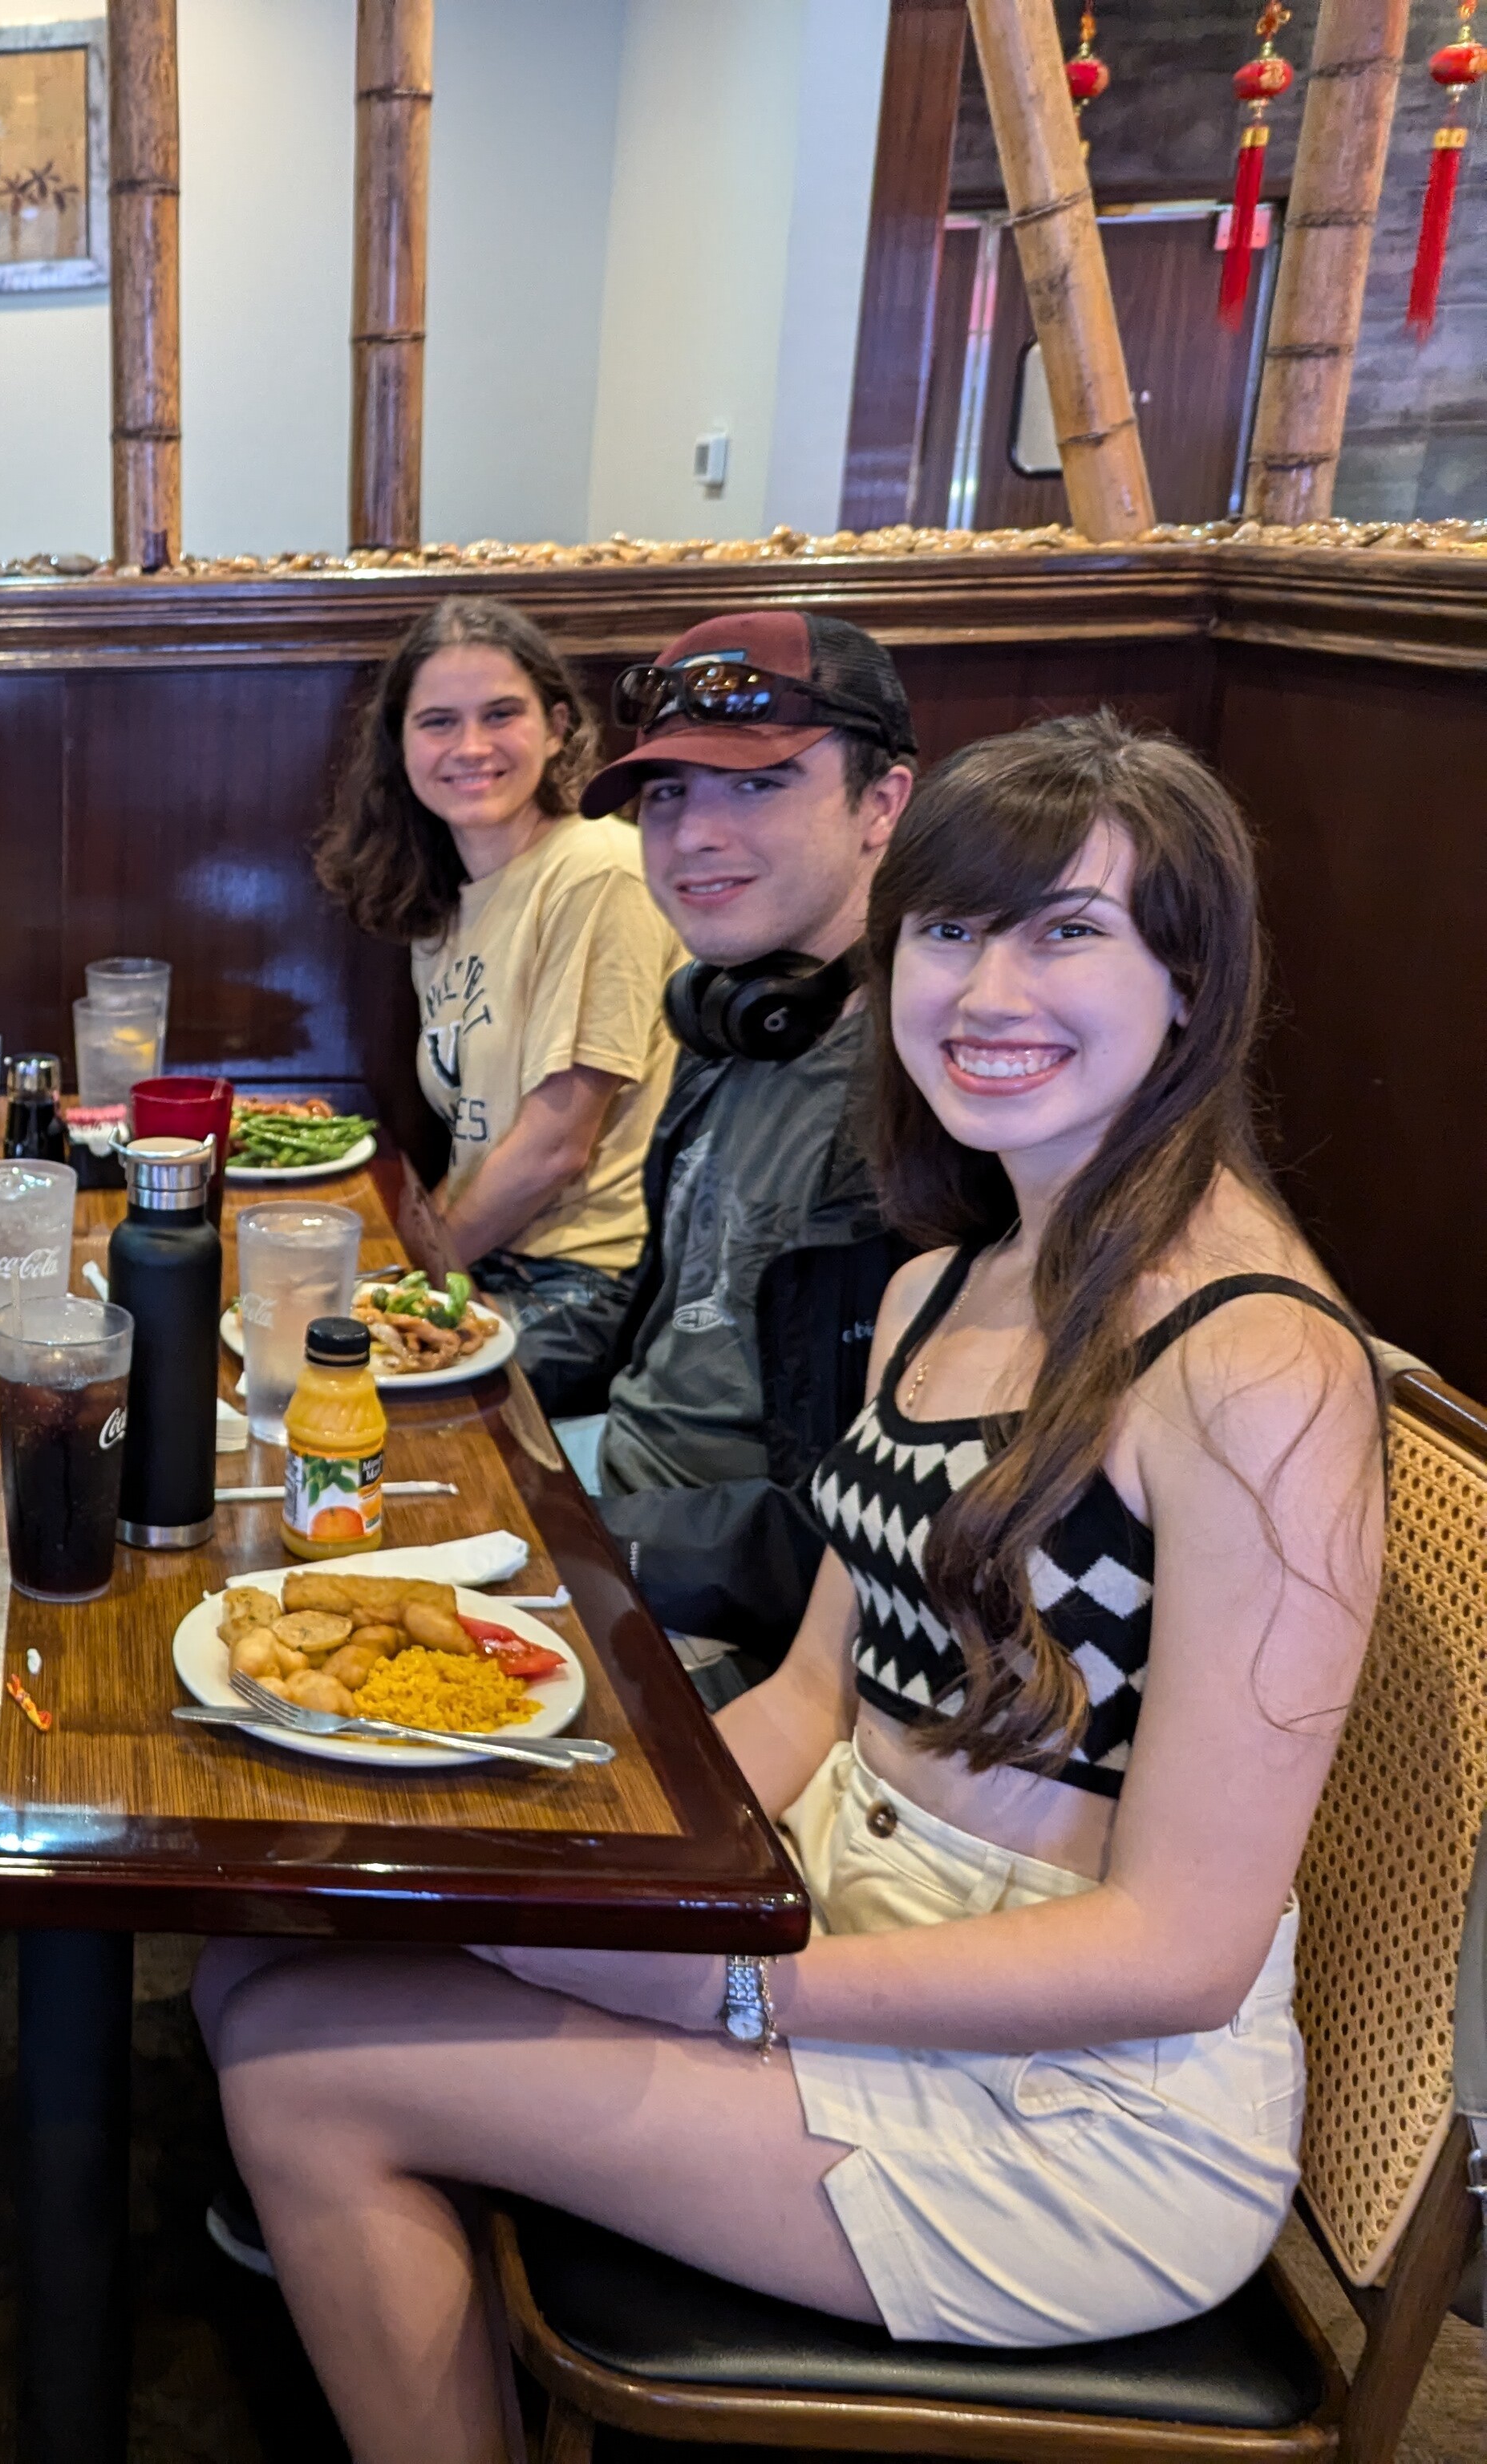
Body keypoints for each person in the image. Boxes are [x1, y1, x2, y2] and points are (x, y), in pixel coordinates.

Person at [198, 712, 1385, 2462]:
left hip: (1074, 2122)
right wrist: (627, 1877)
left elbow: (1183, 1952)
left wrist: (734, 1989)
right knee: (257, 1958)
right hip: (844, 1919)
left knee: (302, 2071)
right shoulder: (944, 1289)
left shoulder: (1256, 1367)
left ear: (1194, 982)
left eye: (1069, 931)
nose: (990, 992)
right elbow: (813, 1702)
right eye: (953, 931)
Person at [562, 609, 924, 1680]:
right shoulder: (741, 1014)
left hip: (737, 1616)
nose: (694, 835)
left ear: (883, 803)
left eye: (757, 785)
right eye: (669, 794)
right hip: (619, 1498)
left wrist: (569, 1541)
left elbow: (871, 1534)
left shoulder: (930, 1103)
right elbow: (668, 1328)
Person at [313, 597, 686, 1409]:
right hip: (493, 1258)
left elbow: (556, 1147)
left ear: (557, 727)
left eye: (501, 715)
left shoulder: (598, 870)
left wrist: (409, 1284)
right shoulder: (450, 901)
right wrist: (398, 1275)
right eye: (439, 721)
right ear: (401, 745)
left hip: (587, 1287)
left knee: (330, 1393)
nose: (471, 747)